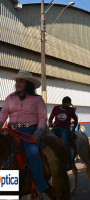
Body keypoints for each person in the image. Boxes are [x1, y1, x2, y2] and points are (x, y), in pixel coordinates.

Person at [0, 70, 56, 199]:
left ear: (28, 83)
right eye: (17, 81)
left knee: (32, 153)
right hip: (11, 129)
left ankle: (42, 186)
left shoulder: (37, 99)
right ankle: (7, 187)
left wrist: (38, 131)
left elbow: (42, 117)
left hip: (29, 130)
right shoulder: (10, 98)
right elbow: (3, 114)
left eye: (22, 81)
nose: (18, 83)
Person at [49, 96, 78, 170]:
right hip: (56, 128)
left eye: (69, 105)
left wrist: (73, 129)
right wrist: (50, 124)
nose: (68, 106)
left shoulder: (71, 110)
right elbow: (50, 118)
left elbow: (75, 120)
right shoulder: (56, 108)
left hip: (65, 129)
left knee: (65, 143)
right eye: (67, 104)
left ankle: (69, 163)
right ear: (63, 103)